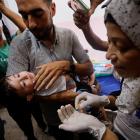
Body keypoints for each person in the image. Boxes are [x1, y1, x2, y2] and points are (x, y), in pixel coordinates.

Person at [7, 0, 93, 139]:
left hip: (83, 110)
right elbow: (17, 95)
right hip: (56, 120)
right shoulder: (19, 45)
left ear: (52, 9)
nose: (31, 24)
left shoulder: (68, 35)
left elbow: (89, 68)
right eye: (24, 15)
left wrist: (66, 65)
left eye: (38, 14)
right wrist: (61, 96)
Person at [57, 0, 140, 140]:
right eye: (110, 41)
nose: (108, 54)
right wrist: (105, 100)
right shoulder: (132, 73)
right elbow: (126, 103)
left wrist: (101, 131)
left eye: (121, 46)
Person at [0, 1, 47, 140]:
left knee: (38, 112)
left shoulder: (13, 42)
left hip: (29, 91)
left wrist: (4, 9)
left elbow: (27, 30)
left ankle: (43, 127)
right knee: (25, 123)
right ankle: (31, 136)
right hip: (12, 101)